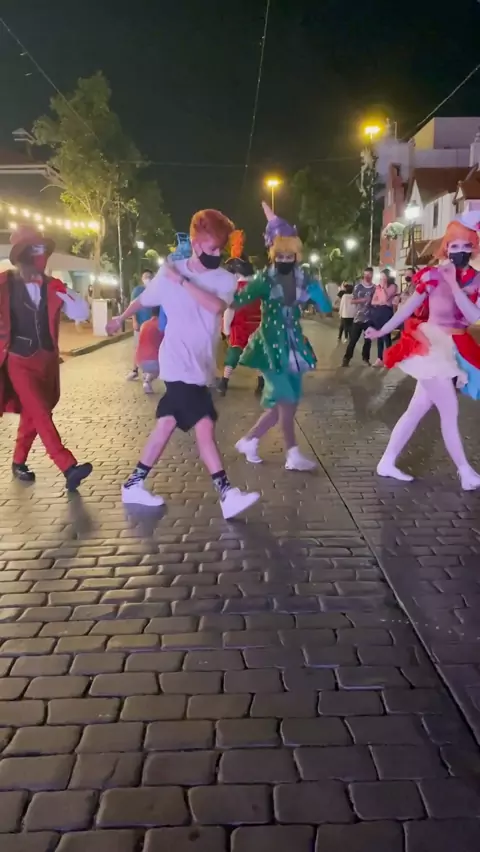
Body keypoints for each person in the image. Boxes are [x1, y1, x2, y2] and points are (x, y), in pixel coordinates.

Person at [106, 208, 260, 519]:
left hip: (201, 364)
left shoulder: (224, 278)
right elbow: (145, 299)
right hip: (177, 361)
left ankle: (133, 483)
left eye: (221, 249)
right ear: (196, 243)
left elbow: (216, 306)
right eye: (212, 248)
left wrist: (183, 281)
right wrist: (121, 317)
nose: (217, 254)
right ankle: (227, 494)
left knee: (166, 425)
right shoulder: (170, 272)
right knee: (204, 426)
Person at [365, 211, 480, 491]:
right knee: (450, 411)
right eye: (454, 245)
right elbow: (406, 309)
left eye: (466, 245)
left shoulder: (476, 280)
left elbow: (473, 315)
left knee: (415, 410)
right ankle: (465, 472)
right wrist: (381, 331)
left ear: (473, 247)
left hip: (455, 347)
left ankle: (386, 462)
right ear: (446, 248)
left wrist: (454, 284)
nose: (460, 251)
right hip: (430, 347)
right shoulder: (431, 275)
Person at [233, 202, 332, 470]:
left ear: (297, 254)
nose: (285, 259)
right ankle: (293, 454)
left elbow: (325, 308)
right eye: (281, 255)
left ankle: (249, 440)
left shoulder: (305, 279)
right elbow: (237, 300)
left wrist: (318, 293)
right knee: (285, 399)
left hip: (295, 344)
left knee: (287, 403)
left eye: (290, 255)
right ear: (272, 253)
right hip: (270, 346)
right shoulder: (263, 279)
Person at [0, 226, 92, 489]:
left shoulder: (53, 285)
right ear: (23, 255)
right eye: (36, 250)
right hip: (18, 359)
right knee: (40, 413)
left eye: (43, 250)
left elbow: (80, 312)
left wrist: (64, 291)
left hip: (48, 361)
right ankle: (68, 466)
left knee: (35, 413)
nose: (42, 256)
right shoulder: (5, 283)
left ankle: (18, 461)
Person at [218, 229, 263, 397]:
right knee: (258, 354)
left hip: (239, 326)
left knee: (233, 354)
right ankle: (261, 382)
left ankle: (224, 382)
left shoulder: (234, 289)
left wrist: (225, 330)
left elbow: (230, 310)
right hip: (257, 326)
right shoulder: (259, 288)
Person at [342, 266, 375, 366]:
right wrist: (363, 300)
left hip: (370, 318)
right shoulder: (358, 287)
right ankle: (346, 358)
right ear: (363, 275)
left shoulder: (375, 288)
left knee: (368, 340)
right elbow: (352, 301)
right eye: (366, 275)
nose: (367, 277)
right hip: (358, 318)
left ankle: (365, 358)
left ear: (372, 275)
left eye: (369, 275)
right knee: (353, 340)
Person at [127, 270, 153, 381]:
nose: (147, 278)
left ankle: (147, 371)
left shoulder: (155, 290)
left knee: (150, 348)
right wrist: (134, 321)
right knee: (137, 347)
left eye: (149, 276)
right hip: (140, 323)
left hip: (151, 325)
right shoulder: (138, 290)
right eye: (145, 276)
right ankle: (135, 370)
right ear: (142, 279)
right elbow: (132, 306)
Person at [370, 269, 398, 366]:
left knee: (386, 335)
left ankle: (389, 358)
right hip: (378, 312)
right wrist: (380, 301)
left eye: (383, 276)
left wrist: (382, 288)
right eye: (381, 277)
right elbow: (373, 301)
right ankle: (379, 358)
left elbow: (385, 298)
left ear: (388, 277)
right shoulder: (378, 287)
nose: (382, 279)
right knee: (379, 335)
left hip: (387, 311)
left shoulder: (392, 286)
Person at [135, 306, 164, 394]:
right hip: (153, 361)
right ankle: (147, 379)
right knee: (164, 368)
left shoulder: (144, 324)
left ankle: (146, 374)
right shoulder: (161, 326)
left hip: (139, 360)